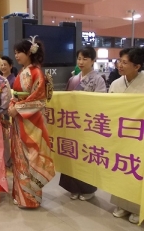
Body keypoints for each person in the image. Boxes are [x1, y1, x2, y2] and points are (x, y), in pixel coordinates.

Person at [9, 37, 55, 209]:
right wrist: (12, 105)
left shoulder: (36, 72)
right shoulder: (22, 72)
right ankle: (21, 196)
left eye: (18, 52)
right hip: (19, 120)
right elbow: (16, 94)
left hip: (31, 122)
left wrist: (17, 107)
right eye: (15, 53)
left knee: (30, 157)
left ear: (29, 52)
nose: (16, 56)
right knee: (19, 157)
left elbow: (39, 99)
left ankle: (31, 198)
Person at [59, 46, 107, 201]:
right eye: (79, 58)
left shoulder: (98, 79)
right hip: (73, 124)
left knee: (87, 155)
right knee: (72, 154)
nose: (81, 61)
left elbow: (100, 102)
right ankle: (73, 187)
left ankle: (88, 189)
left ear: (93, 61)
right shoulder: (73, 79)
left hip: (88, 125)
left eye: (85, 58)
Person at [109, 47, 144, 224]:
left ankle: (138, 207)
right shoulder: (115, 84)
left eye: (124, 62)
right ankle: (122, 204)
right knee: (121, 168)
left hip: (139, 137)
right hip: (120, 136)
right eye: (119, 61)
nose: (119, 65)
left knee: (137, 171)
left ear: (137, 66)